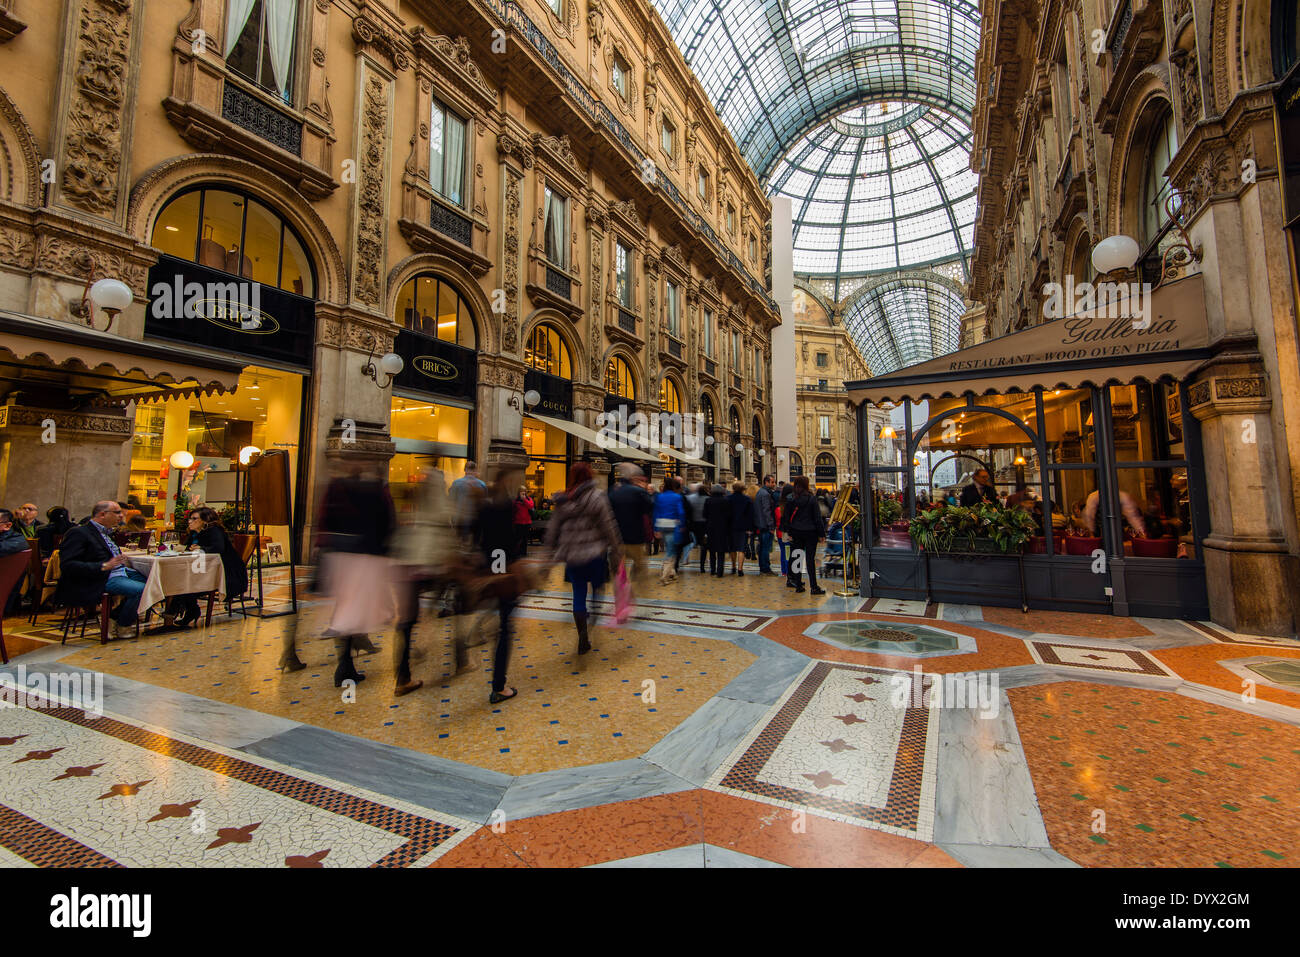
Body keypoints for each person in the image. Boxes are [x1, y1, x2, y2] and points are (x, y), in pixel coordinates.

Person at [316, 464, 397, 687]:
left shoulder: (336, 486)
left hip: (340, 555)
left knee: (346, 608)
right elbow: (388, 522)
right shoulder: (377, 489)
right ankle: (345, 665)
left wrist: (323, 545)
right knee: (354, 610)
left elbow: (324, 518)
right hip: (365, 557)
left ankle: (346, 662)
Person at [545, 461, 621, 656]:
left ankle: (582, 634)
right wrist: (616, 548)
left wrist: (547, 555)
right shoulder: (597, 497)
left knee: (578, 593)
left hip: (572, 556)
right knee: (597, 589)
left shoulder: (563, 500)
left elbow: (552, 529)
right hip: (595, 554)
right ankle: (592, 620)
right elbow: (608, 525)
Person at [472, 465, 527, 704]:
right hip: (502, 566)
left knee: (495, 611)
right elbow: (508, 540)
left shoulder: (484, 505)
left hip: (487, 566)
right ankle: (499, 686)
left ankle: (474, 632)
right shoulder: (505, 505)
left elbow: (476, 536)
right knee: (505, 626)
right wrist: (511, 567)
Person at [56, 501, 149, 639]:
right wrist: (104, 566)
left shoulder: (106, 533)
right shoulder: (79, 533)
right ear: (102, 514)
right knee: (142, 590)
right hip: (100, 577)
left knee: (154, 583)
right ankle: (123, 624)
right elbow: (68, 565)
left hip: (119, 572)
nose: (121, 516)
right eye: (117, 512)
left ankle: (111, 618)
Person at [165, 507, 248, 629]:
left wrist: (200, 549)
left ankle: (177, 612)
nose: (189, 521)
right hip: (202, 569)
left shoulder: (215, 531)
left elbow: (218, 548)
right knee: (182, 579)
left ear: (205, 520)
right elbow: (187, 547)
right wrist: (187, 548)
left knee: (186, 581)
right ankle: (184, 611)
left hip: (226, 573)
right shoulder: (194, 533)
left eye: (194, 518)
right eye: (190, 518)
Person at [608, 462, 654, 596]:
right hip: (636, 539)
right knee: (640, 570)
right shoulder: (638, 491)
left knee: (618, 572)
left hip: (617, 539)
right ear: (633, 477)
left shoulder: (613, 492)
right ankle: (639, 595)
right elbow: (649, 507)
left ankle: (621, 599)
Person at [780, 475, 827, 595]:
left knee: (797, 557)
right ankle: (814, 586)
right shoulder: (811, 499)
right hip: (811, 532)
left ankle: (798, 584)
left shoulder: (791, 499)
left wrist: (787, 531)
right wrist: (821, 534)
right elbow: (817, 518)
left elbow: (785, 517)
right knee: (810, 559)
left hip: (796, 531)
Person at [652, 475, 686, 584]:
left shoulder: (660, 497)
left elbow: (656, 512)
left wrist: (656, 528)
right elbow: (681, 512)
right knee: (671, 551)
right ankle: (664, 576)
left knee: (669, 547)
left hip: (661, 524)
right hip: (673, 525)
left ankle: (672, 572)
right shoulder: (677, 497)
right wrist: (682, 525)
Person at [448, 461, 487, 536]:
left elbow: (451, 501)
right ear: (476, 470)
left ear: (465, 469)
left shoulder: (456, 483)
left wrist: (452, 519)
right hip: (476, 519)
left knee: (460, 543)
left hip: (460, 518)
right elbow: (484, 502)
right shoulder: (482, 484)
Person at [753, 475, 778, 575]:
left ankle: (763, 568)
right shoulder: (765, 494)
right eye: (772, 482)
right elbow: (767, 511)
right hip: (766, 526)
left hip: (760, 524)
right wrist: (771, 526)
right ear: (766, 482)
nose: (774, 484)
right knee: (765, 548)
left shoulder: (760, 492)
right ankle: (766, 569)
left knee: (762, 547)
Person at [704, 483, 730, 577]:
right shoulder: (725, 501)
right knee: (721, 551)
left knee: (712, 550)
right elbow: (728, 515)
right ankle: (720, 571)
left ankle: (712, 569)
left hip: (710, 527)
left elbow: (705, 514)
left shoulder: (708, 501)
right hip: (722, 528)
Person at [727, 481, 754, 574]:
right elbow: (750, 515)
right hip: (743, 527)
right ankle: (740, 569)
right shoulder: (747, 499)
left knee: (732, 548)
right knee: (741, 548)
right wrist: (750, 528)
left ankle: (733, 566)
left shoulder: (728, 498)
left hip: (731, 526)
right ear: (743, 489)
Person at [684, 482, 709, 574]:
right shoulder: (708, 499)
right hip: (705, 525)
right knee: (704, 546)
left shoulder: (690, 498)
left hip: (693, 524)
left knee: (690, 542)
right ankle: (702, 566)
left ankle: (685, 559)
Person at [512, 485, 534, 557]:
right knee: (518, 539)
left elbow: (530, 506)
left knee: (525, 539)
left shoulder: (529, 499)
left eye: (524, 493)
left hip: (527, 522)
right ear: (519, 493)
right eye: (522, 493)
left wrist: (524, 500)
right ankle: (517, 552)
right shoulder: (515, 501)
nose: (523, 494)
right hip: (518, 522)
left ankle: (524, 553)